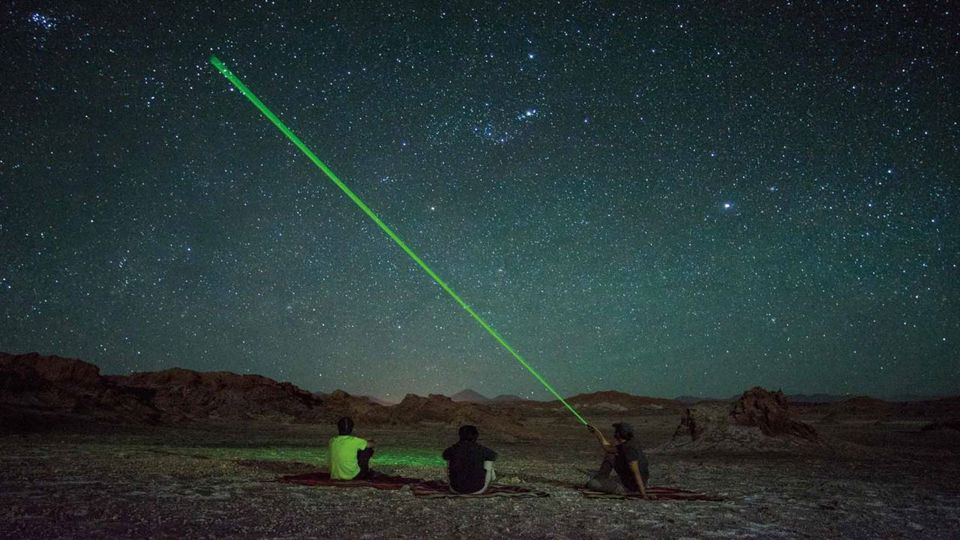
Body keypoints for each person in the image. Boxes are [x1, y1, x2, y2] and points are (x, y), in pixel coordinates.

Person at [585, 422, 654, 499]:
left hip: (631, 486)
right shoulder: (628, 444)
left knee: (592, 484)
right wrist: (598, 433)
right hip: (628, 480)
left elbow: (636, 473)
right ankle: (601, 479)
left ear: (618, 434)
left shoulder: (629, 450)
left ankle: (624, 489)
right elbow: (608, 448)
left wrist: (643, 495)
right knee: (610, 455)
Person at [442, 425, 498, 494]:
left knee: (450, 460)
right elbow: (493, 456)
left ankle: (454, 482)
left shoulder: (452, 449)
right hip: (478, 489)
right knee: (489, 463)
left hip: (455, 489)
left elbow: (445, 456)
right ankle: (486, 482)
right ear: (476, 436)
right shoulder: (481, 450)